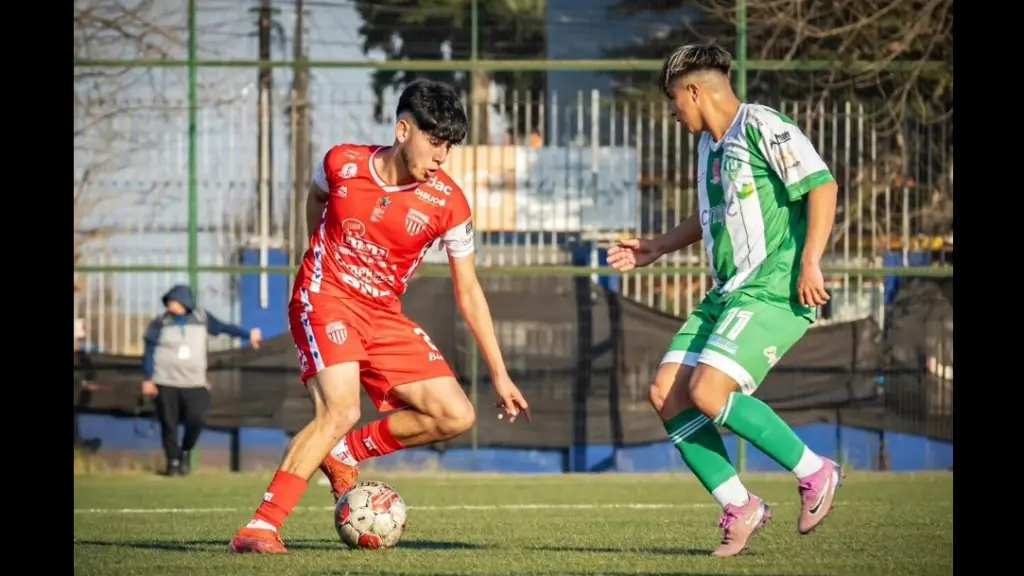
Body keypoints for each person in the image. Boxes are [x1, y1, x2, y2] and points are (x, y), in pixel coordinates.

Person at [229, 79, 530, 554]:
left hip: (383, 315)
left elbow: (468, 289)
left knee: (455, 414)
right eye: (435, 142)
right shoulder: (342, 162)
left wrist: (500, 373)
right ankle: (261, 527)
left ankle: (344, 453)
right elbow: (316, 198)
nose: (442, 156)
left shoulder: (449, 203)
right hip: (325, 297)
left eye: (449, 146)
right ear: (403, 129)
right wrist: (317, 260)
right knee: (341, 409)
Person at [607, 43, 844, 558]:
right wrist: (656, 247)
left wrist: (810, 261)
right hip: (728, 292)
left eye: (674, 99)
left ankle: (815, 470)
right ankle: (740, 505)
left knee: (708, 392)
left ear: (693, 91)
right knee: (667, 393)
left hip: (772, 286)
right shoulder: (709, 147)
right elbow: (710, 215)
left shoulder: (760, 124)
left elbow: (822, 185)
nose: (674, 111)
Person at [142, 284, 262, 476]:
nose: (170, 305)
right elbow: (149, 350)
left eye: (174, 301)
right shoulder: (160, 322)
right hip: (166, 381)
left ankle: (186, 450)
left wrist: (248, 335)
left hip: (195, 382)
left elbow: (223, 328)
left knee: (197, 418)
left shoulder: (201, 318)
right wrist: (148, 378)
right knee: (169, 423)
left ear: (184, 301)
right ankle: (173, 461)